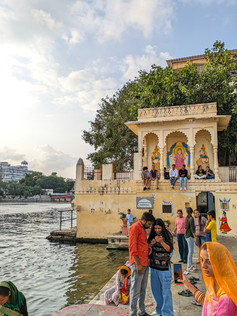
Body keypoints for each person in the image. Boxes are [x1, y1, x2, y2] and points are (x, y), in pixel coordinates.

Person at [180, 242, 237, 315]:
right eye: (202, 260)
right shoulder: (214, 281)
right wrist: (187, 285)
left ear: (219, 263)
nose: (203, 265)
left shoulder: (226, 298)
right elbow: (208, 303)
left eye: (209, 261)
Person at [129, 212, 155, 316]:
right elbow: (132, 247)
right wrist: (138, 264)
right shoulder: (135, 227)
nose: (150, 226)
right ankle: (133, 313)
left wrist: (149, 245)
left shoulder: (143, 229)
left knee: (142, 289)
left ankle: (141, 311)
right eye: (149, 224)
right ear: (143, 221)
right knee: (135, 290)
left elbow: (141, 244)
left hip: (145, 262)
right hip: (138, 263)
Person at [148, 218, 174, 316]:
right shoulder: (152, 236)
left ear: (162, 227)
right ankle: (159, 309)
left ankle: (167, 313)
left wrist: (162, 242)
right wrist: (153, 243)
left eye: (159, 228)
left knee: (166, 292)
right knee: (156, 290)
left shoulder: (167, 235)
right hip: (154, 267)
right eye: (155, 228)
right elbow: (147, 246)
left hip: (164, 268)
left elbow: (169, 249)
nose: (157, 230)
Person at [184, 207, 196, 274]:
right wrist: (195, 236)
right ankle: (189, 265)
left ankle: (189, 264)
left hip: (187, 235)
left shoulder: (187, 218)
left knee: (190, 250)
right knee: (190, 251)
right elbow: (192, 228)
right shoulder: (191, 218)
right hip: (189, 236)